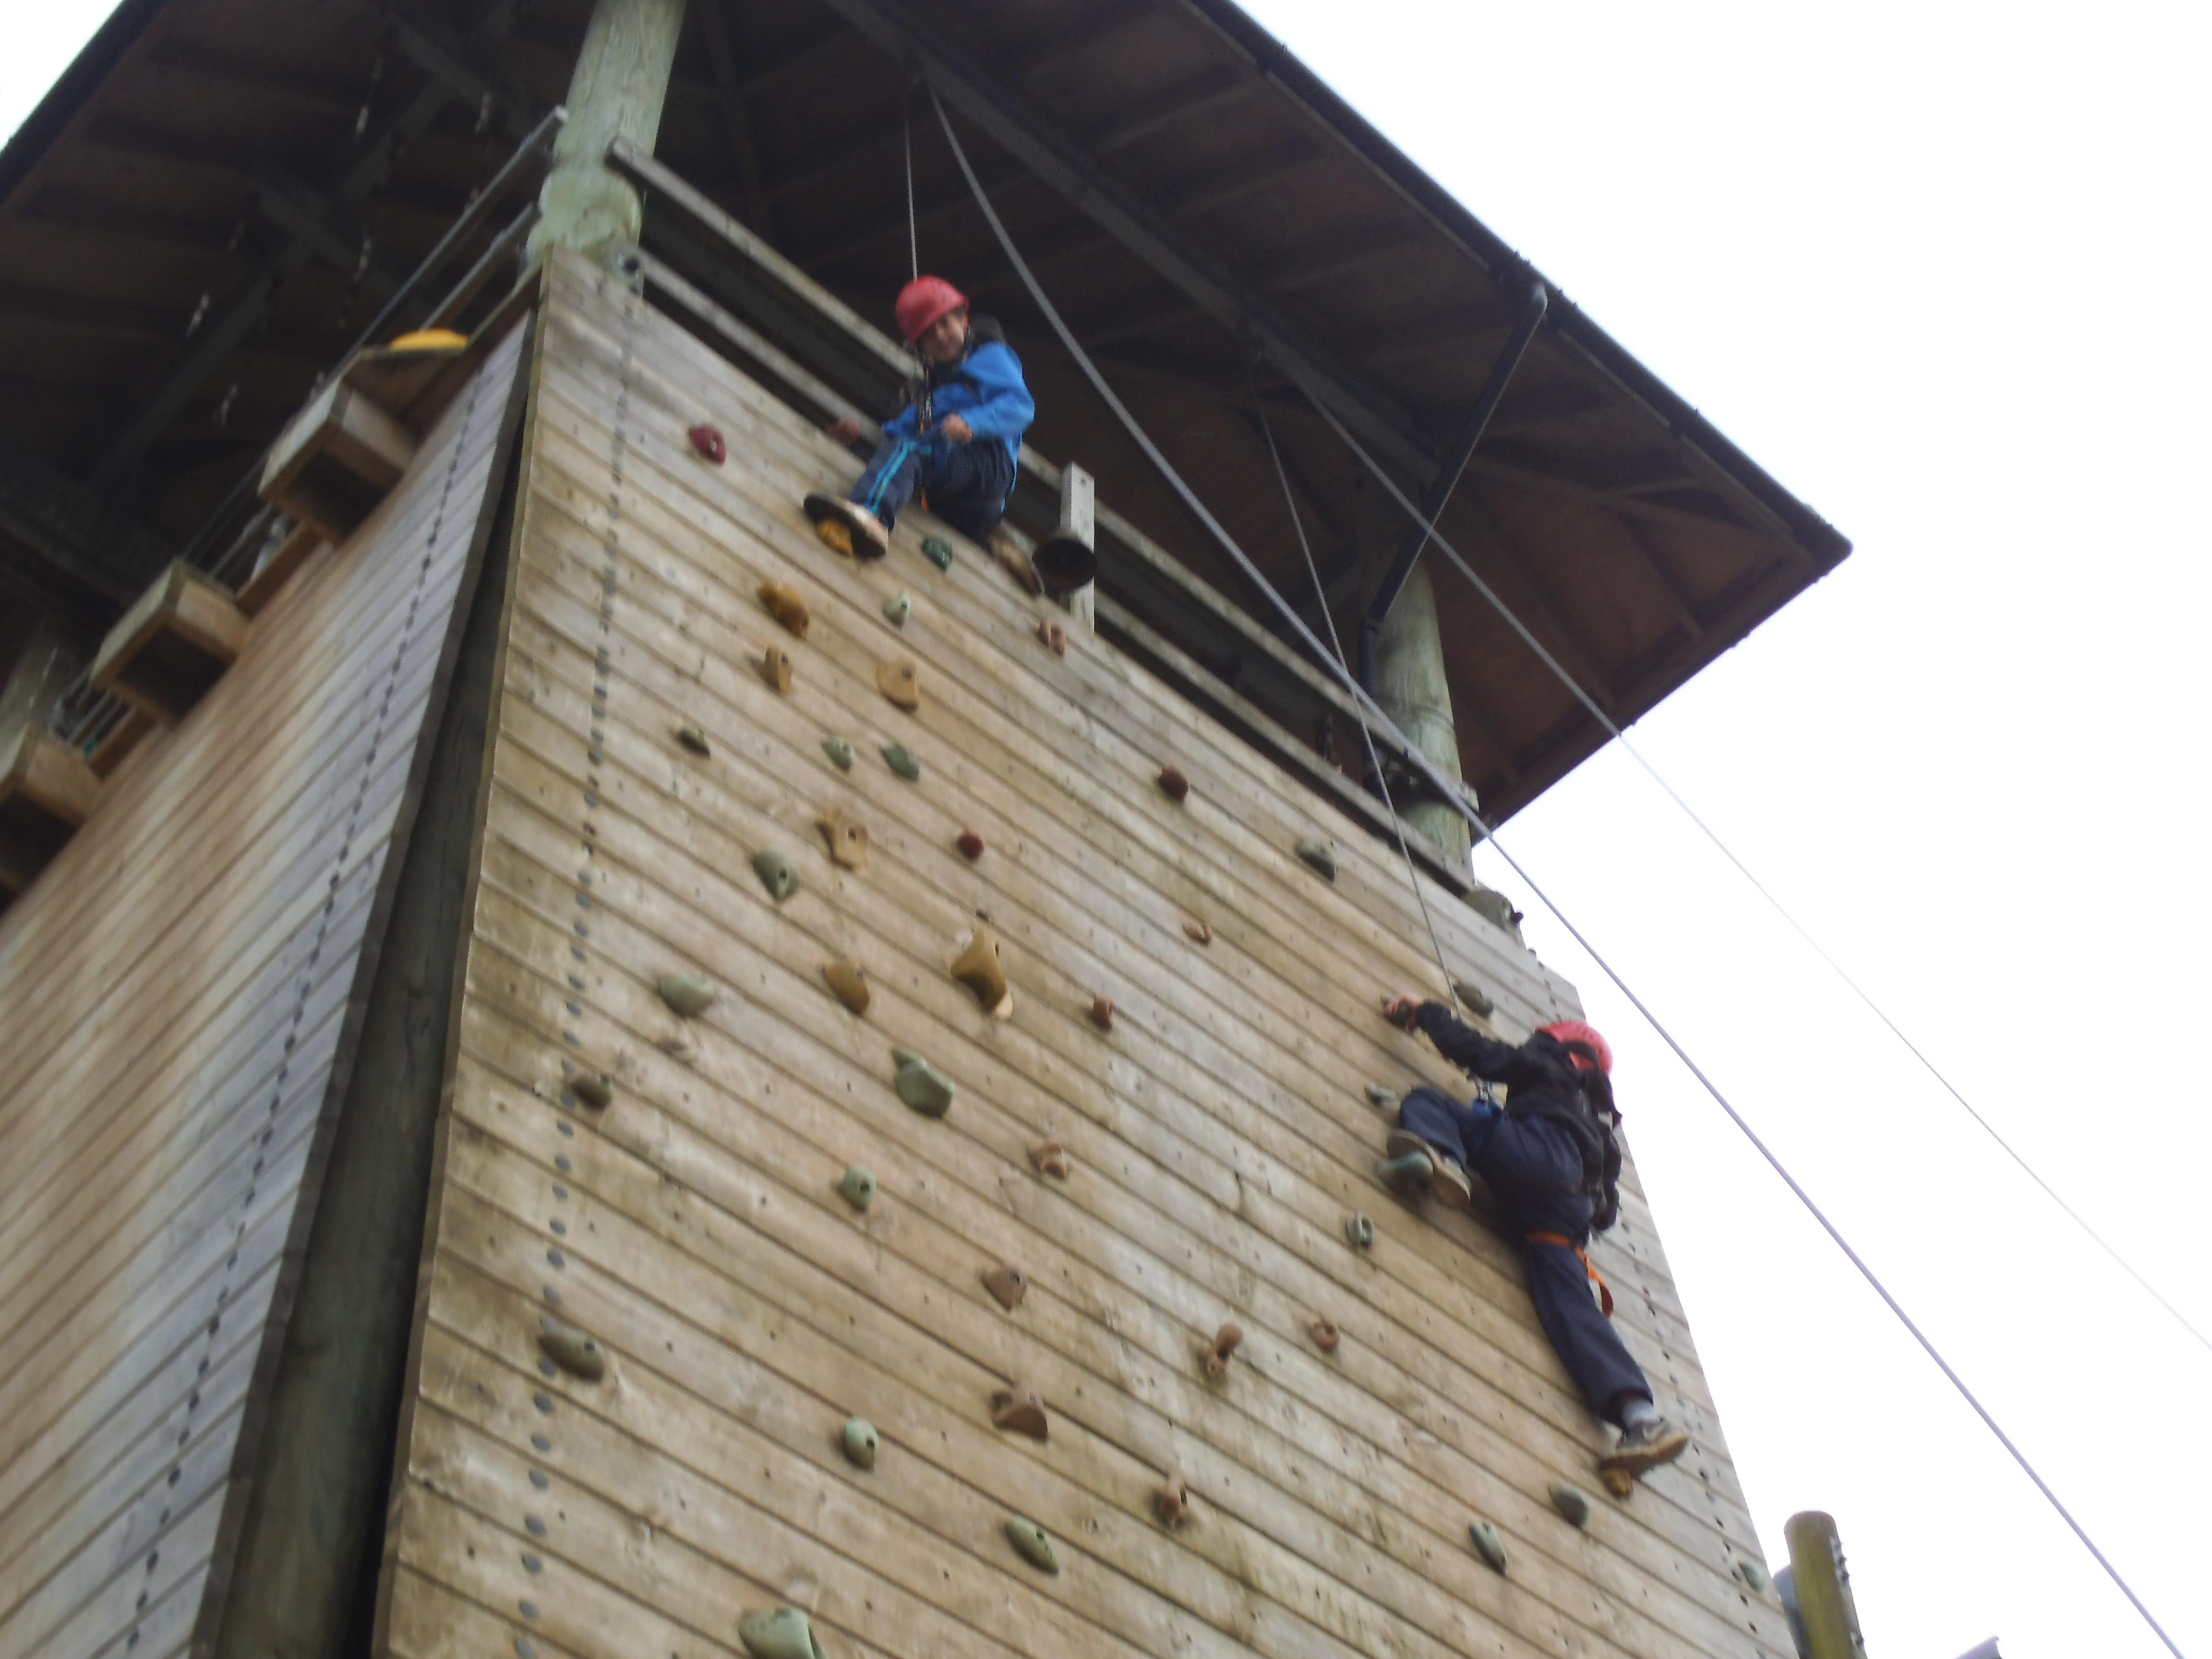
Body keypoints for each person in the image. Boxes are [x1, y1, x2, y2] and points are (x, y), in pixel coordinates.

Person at [1375, 995, 1691, 1484]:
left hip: (1537, 1156)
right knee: (1573, 1308)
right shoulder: (1601, 1121)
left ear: (1558, 1042)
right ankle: (1641, 1419)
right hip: (1565, 1218)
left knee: (1429, 1102)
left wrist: (1427, 1013)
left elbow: (1483, 1055)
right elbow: (1606, 1211)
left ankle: (1443, 1158)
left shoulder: (1547, 1062)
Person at [803, 275, 1034, 560]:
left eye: (945, 324)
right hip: (952, 497)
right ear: (919, 346)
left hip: (987, 467)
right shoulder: (929, 396)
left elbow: (1020, 406)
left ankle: (872, 516)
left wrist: (973, 424)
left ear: (963, 320)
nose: (940, 336)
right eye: (928, 333)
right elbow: (895, 444)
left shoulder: (988, 355)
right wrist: (853, 442)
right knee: (905, 451)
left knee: (913, 452)